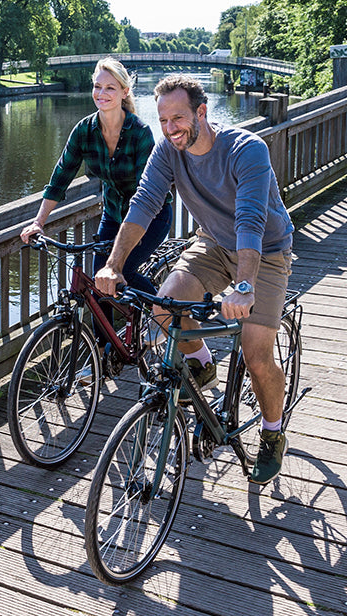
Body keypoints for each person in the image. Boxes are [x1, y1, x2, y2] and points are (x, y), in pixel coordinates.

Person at [94, 74, 295, 485]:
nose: (170, 129)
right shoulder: (169, 150)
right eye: (163, 120)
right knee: (163, 308)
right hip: (212, 243)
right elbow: (145, 201)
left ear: (202, 112)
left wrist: (244, 285)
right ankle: (202, 365)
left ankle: (273, 434)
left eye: (178, 118)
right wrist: (113, 264)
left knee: (256, 357)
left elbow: (250, 219)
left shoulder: (246, 150)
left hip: (265, 252)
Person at [20, 57, 172, 301]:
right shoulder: (84, 131)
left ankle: (163, 317)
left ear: (125, 92)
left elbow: (150, 192)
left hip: (151, 216)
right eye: (97, 86)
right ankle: (105, 341)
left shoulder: (140, 133)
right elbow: (60, 178)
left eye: (110, 88)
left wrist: (130, 240)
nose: (102, 93)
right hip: (112, 214)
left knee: (124, 271)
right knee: (99, 285)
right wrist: (39, 222)